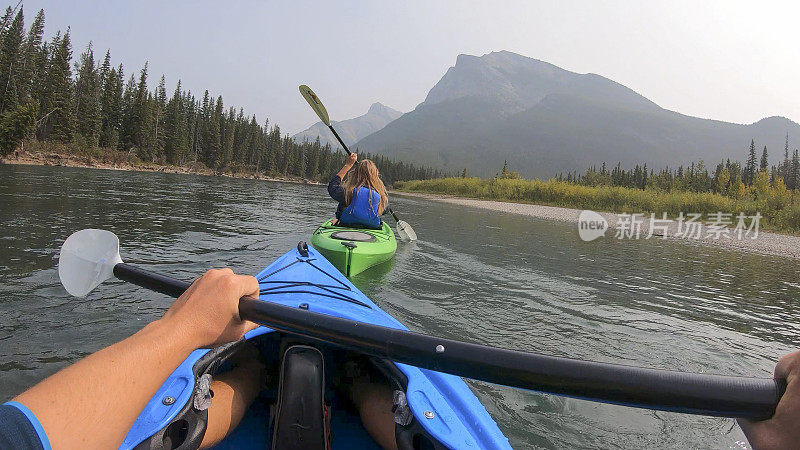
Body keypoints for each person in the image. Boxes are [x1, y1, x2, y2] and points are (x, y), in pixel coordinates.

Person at [0, 270, 798, 449]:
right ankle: (371, 389)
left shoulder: (364, 195)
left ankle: (237, 382)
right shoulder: (366, 192)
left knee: (237, 365)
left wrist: (182, 328)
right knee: (369, 375)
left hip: (265, 308)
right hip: (334, 293)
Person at [0, 269, 398, 449]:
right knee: (366, 388)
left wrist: (181, 326)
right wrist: (180, 327)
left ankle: (254, 375)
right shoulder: (374, 195)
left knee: (247, 376)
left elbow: (26, 436)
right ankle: (356, 385)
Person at [327, 153, 388, 228]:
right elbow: (385, 210)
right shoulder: (381, 197)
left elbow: (332, 187)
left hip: (346, 225)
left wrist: (348, 165)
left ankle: (338, 219)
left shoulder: (348, 193)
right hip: (371, 229)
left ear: (355, 174)